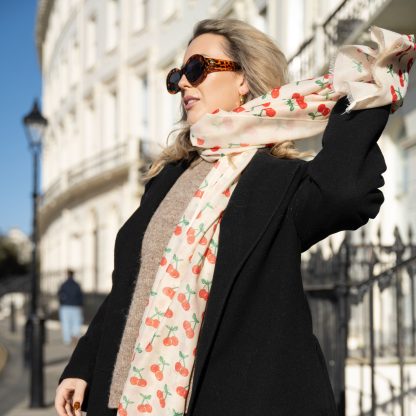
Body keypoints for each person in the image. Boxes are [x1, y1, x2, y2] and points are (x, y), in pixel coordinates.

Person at [54, 18, 414, 416]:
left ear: (242, 78)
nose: (184, 85)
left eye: (197, 70)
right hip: (123, 397)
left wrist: (363, 95)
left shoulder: (275, 180)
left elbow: (345, 193)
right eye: (177, 77)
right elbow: (134, 282)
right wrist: (82, 364)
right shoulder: (167, 178)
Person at [58, 269, 84, 347]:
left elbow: (60, 295)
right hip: (76, 307)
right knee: (76, 323)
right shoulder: (77, 285)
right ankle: (75, 338)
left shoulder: (63, 285)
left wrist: (62, 302)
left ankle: (67, 340)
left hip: (65, 306)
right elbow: (81, 297)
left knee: (66, 323)